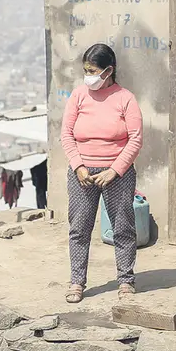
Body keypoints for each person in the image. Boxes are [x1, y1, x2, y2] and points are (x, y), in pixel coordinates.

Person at [61, 43, 143, 304]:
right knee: (79, 228)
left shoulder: (125, 99)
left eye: (93, 70)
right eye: (85, 70)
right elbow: (66, 135)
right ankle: (77, 281)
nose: (89, 75)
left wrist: (115, 170)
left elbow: (135, 139)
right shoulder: (78, 96)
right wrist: (79, 166)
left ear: (109, 70)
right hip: (82, 174)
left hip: (117, 174)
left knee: (123, 228)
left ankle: (126, 280)